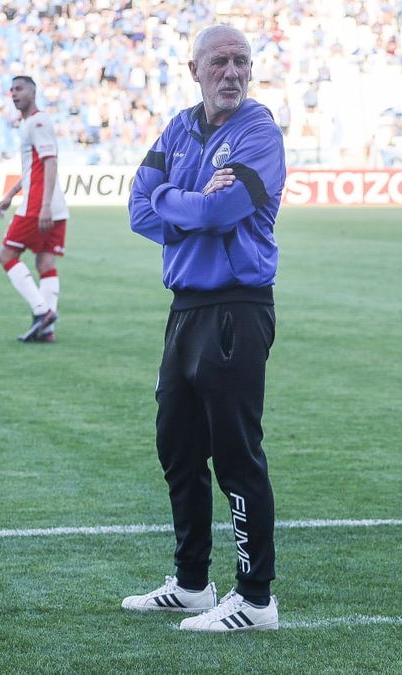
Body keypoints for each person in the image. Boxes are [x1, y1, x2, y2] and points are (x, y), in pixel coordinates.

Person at [124, 24, 285, 633]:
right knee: (178, 448)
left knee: (237, 455)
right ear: (194, 69)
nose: (232, 73)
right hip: (186, 308)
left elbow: (224, 211)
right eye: (219, 62)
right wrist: (181, 197)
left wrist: (171, 197)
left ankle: (256, 599)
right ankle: (193, 583)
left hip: (237, 307)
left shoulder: (258, 131)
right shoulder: (179, 127)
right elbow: (138, 209)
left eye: (242, 62)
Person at [0, 75, 67, 343]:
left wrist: (44, 205)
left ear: (33, 92)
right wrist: (10, 195)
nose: (14, 94)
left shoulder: (37, 121)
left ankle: (41, 311)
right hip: (53, 203)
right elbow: (32, 169)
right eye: (11, 89)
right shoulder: (30, 123)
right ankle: (46, 330)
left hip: (39, 204)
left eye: (19, 88)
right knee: (45, 262)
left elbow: (50, 163)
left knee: (6, 255)